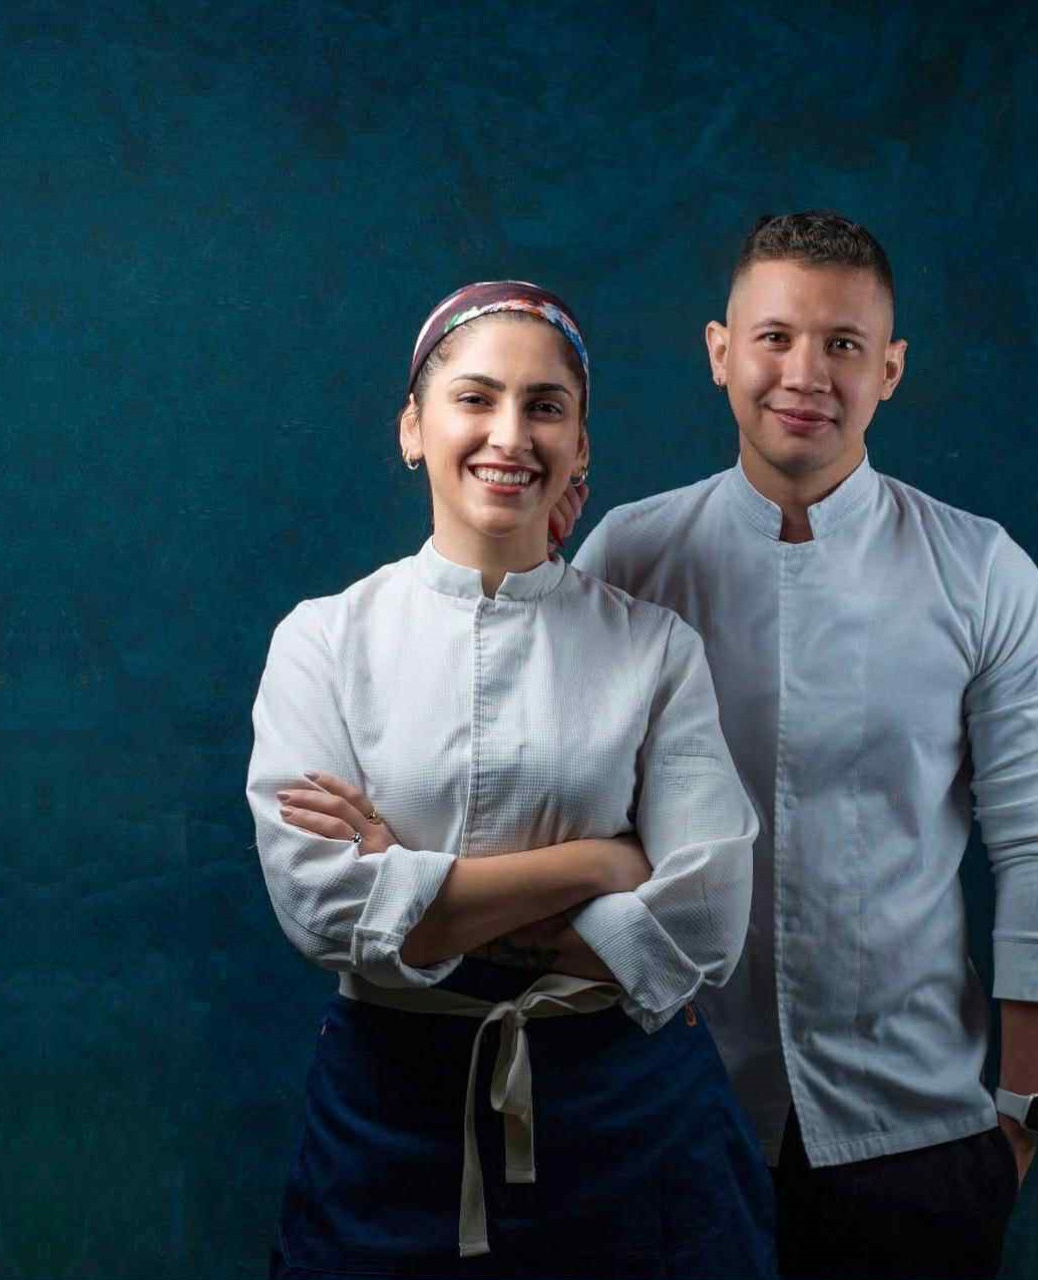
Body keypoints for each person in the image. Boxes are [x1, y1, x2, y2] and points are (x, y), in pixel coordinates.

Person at [564, 213, 1038, 1279]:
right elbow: (561, 816)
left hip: (917, 1139)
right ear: (721, 352)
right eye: (775, 337)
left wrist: (1022, 1116)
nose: (806, 374)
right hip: (668, 1119)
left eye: (843, 343)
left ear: (888, 370)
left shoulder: (984, 572)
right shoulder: (627, 556)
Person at [247, 281, 776, 1279]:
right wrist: (600, 864)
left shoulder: (655, 647)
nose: (510, 435)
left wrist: (422, 898)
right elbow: (322, 905)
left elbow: (707, 913)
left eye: (545, 407)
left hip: (633, 1123)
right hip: (388, 1120)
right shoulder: (323, 640)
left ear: (579, 447)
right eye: (475, 398)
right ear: (414, 428)